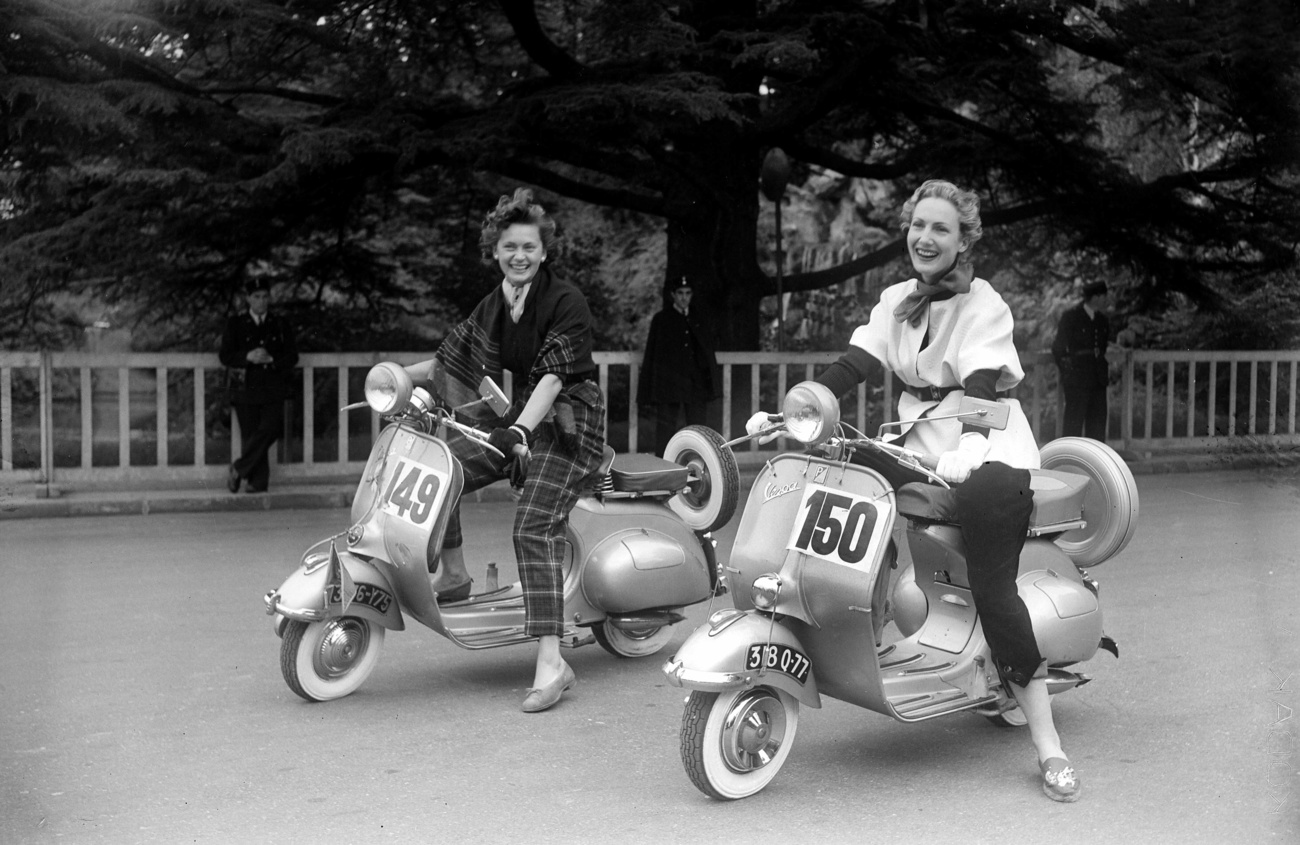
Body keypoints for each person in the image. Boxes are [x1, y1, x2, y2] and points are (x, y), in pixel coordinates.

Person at [746, 179, 1081, 803]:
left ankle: (1048, 743)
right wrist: (792, 415)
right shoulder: (897, 298)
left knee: (991, 582)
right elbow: (849, 370)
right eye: (918, 225)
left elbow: (981, 392)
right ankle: (868, 626)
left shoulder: (984, 305)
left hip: (990, 453)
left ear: (964, 240)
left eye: (941, 229)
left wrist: (969, 454)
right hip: (920, 446)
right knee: (840, 471)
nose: (926, 238)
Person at [405, 188, 606, 713]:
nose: (519, 256)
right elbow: (450, 362)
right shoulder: (494, 305)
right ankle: (453, 572)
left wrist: (518, 432)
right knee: (441, 463)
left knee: (532, 525)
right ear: (495, 250)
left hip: (569, 423)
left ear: (544, 252)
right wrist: (403, 390)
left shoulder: (565, 301)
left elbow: (553, 381)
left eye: (529, 248)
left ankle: (552, 660)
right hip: (519, 418)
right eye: (510, 247)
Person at [219, 279, 297, 494]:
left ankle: (238, 469)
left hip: (272, 387)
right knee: (252, 434)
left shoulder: (279, 323)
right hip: (246, 388)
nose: (261, 302)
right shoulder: (236, 323)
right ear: (248, 299)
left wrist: (272, 359)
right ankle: (257, 484)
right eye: (256, 297)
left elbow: (292, 355)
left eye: (264, 297)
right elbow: (225, 356)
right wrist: (248, 356)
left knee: (272, 428)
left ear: (269, 298)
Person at [638, 276, 719, 455]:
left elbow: (706, 352)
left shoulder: (698, 318)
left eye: (688, 293)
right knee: (666, 427)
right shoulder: (662, 319)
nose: (684, 298)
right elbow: (653, 354)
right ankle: (663, 464)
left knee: (698, 427)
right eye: (680, 293)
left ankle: (696, 460)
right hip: (670, 383)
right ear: (673, 295)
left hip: (694, 383)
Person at [1052, 281, 1111, 440]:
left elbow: (1102, 348)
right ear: (1096, 297)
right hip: (1077, 380)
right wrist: (1068, 373)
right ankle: (1069, 461)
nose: (1107, 299)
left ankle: (1095, 462)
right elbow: (1058, 349)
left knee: (1097, 426)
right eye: (1104, 296)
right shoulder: (1071, 317)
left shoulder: (1102, 320)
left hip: (1098, 379)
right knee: (1073, 425)